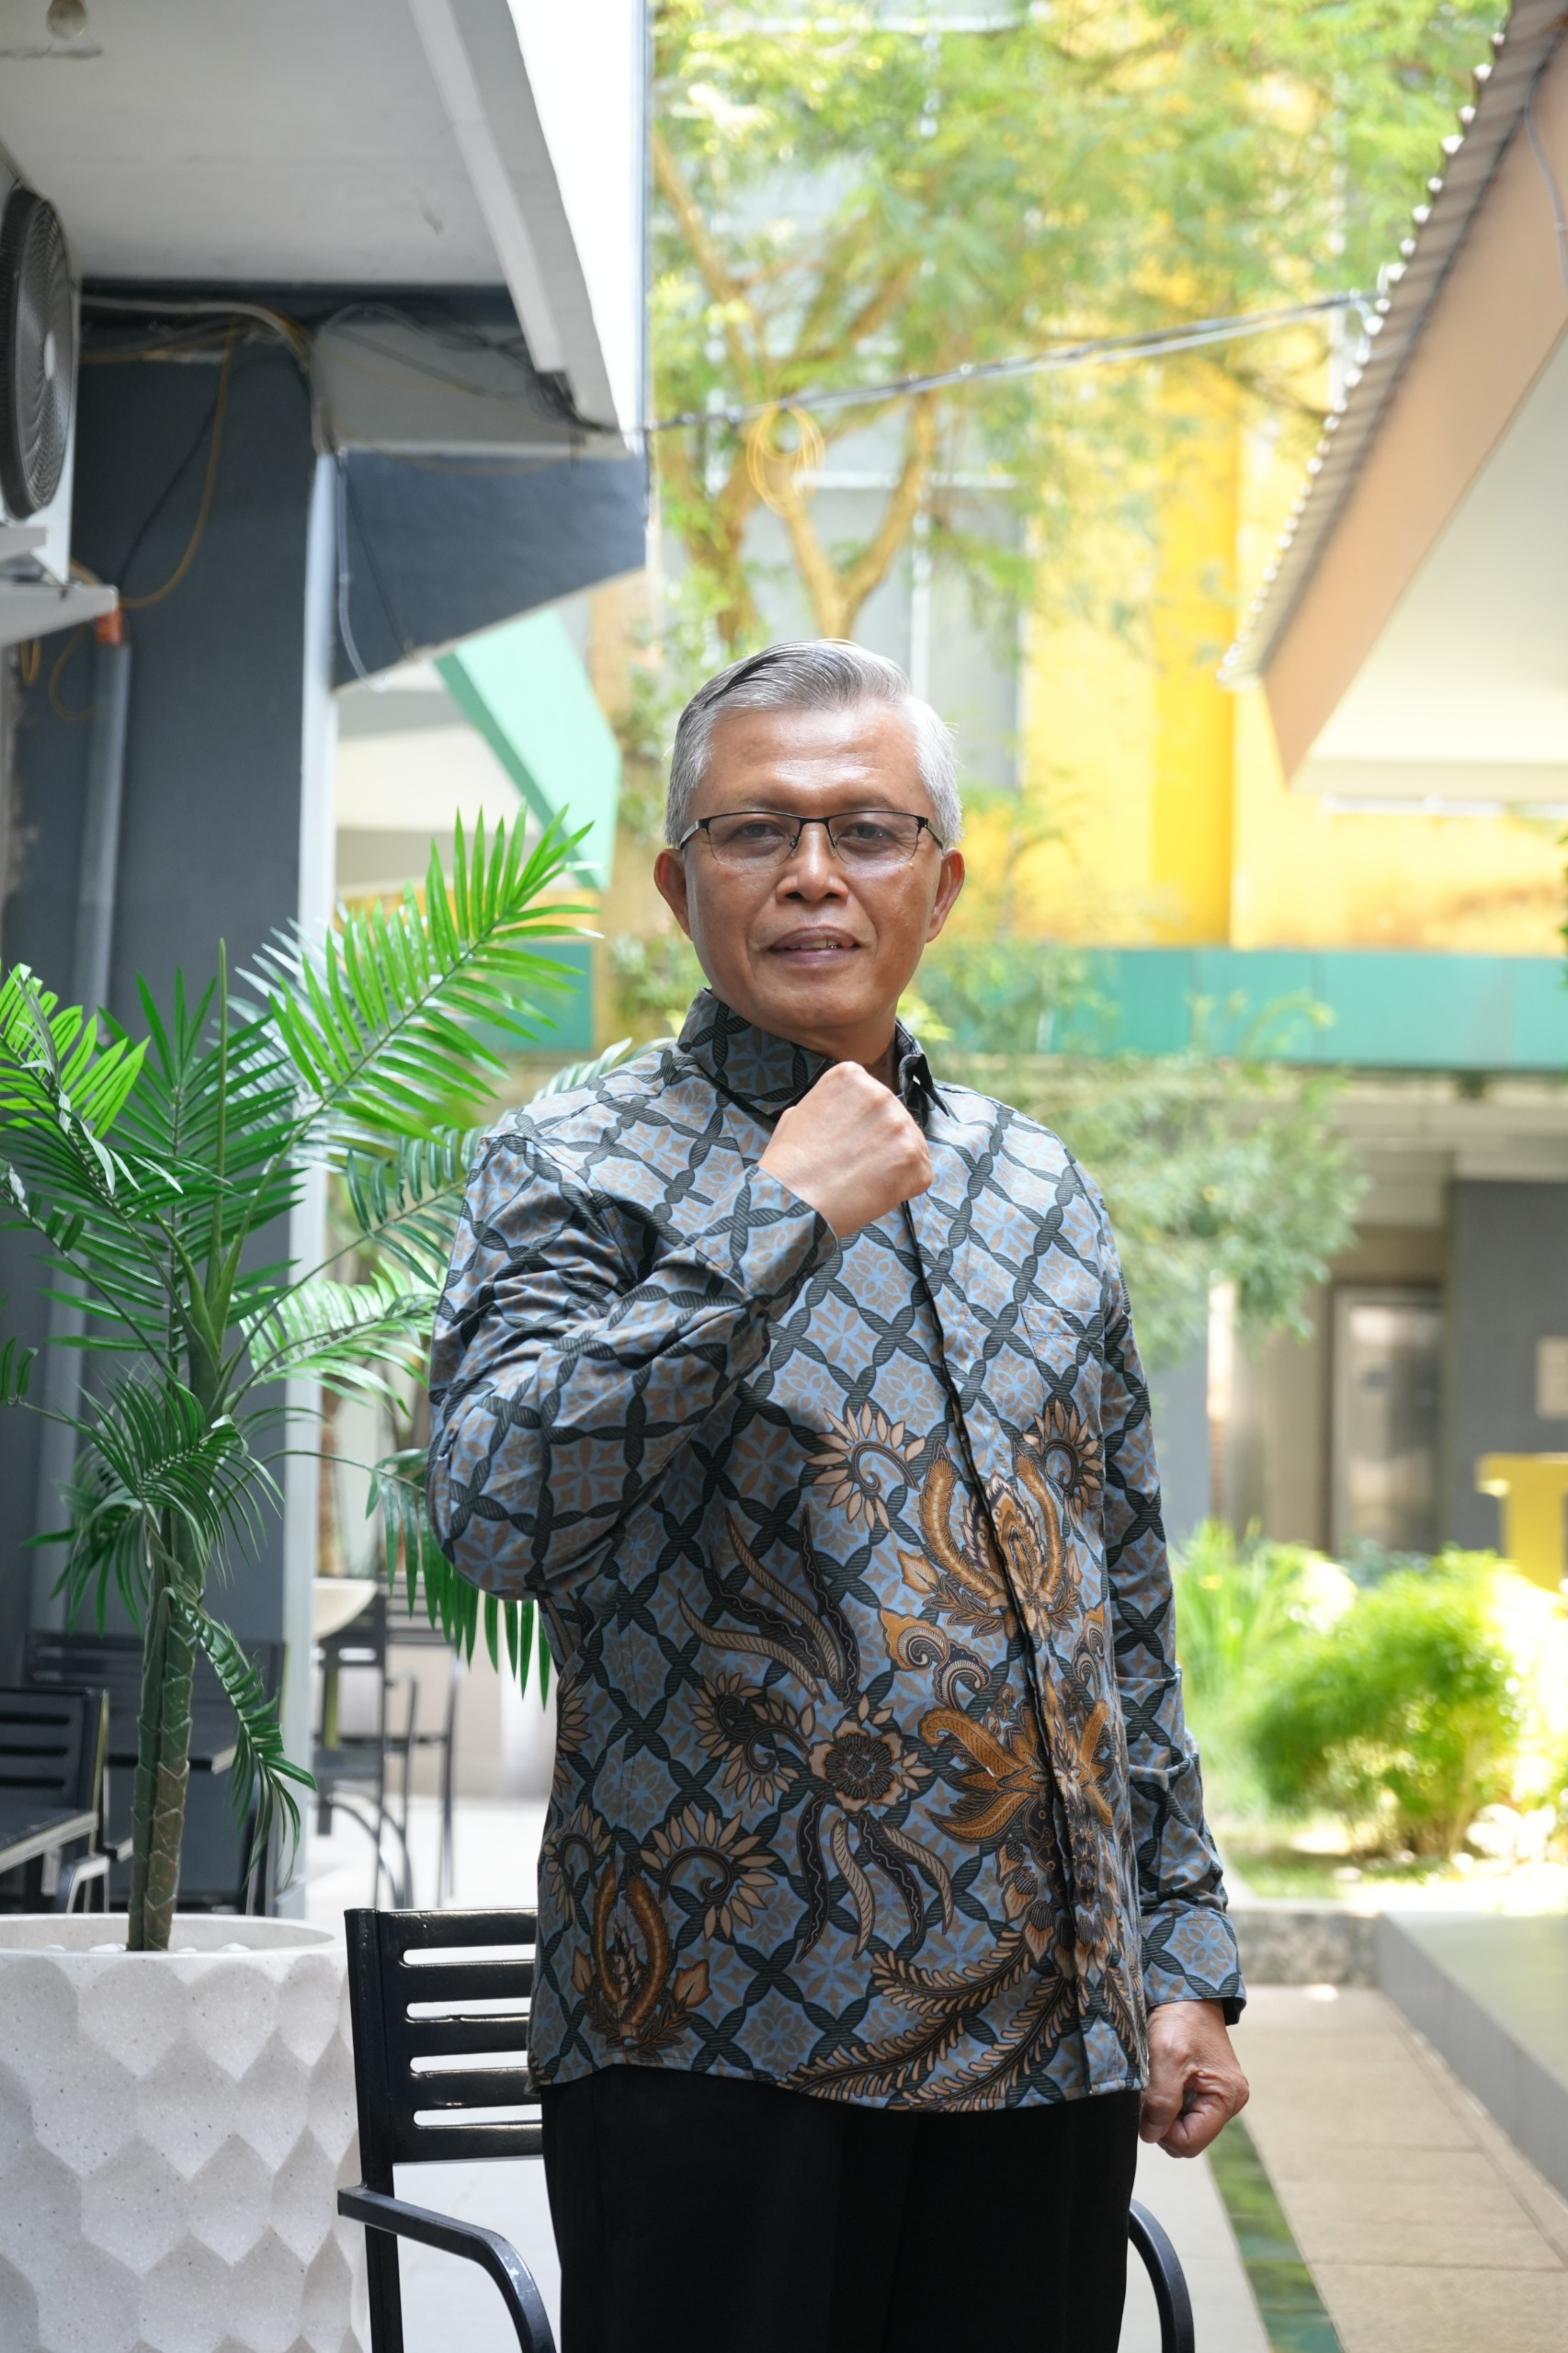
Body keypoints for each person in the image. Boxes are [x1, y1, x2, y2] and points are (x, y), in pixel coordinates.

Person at [428, 641, 1248, 2353]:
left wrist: (1179, 1958)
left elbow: (1119, 1601)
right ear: (679, 886)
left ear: (937, 885)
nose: (813, 873)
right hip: (718, 2038)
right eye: (756, 831)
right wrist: (771, 1222)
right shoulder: (569, 1159)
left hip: (1044, 2050)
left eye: (867, 830)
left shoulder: (1036, 1185)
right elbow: (496, 1508)